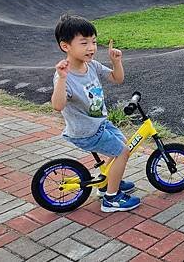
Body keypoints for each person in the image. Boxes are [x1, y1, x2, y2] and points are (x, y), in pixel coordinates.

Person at [52, 14, 140, 213]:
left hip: (100, 124)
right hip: (86, 131)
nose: (91, 47)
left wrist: (116, 62)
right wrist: (63, 78)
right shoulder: (64, 75)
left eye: (94, 42)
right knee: (122, 152)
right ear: (66, 46)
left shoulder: (90, 65)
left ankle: (108, 181)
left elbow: (117, 79)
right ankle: (111, 198)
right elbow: (57, 106)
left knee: (121, 146)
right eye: (84, 43)